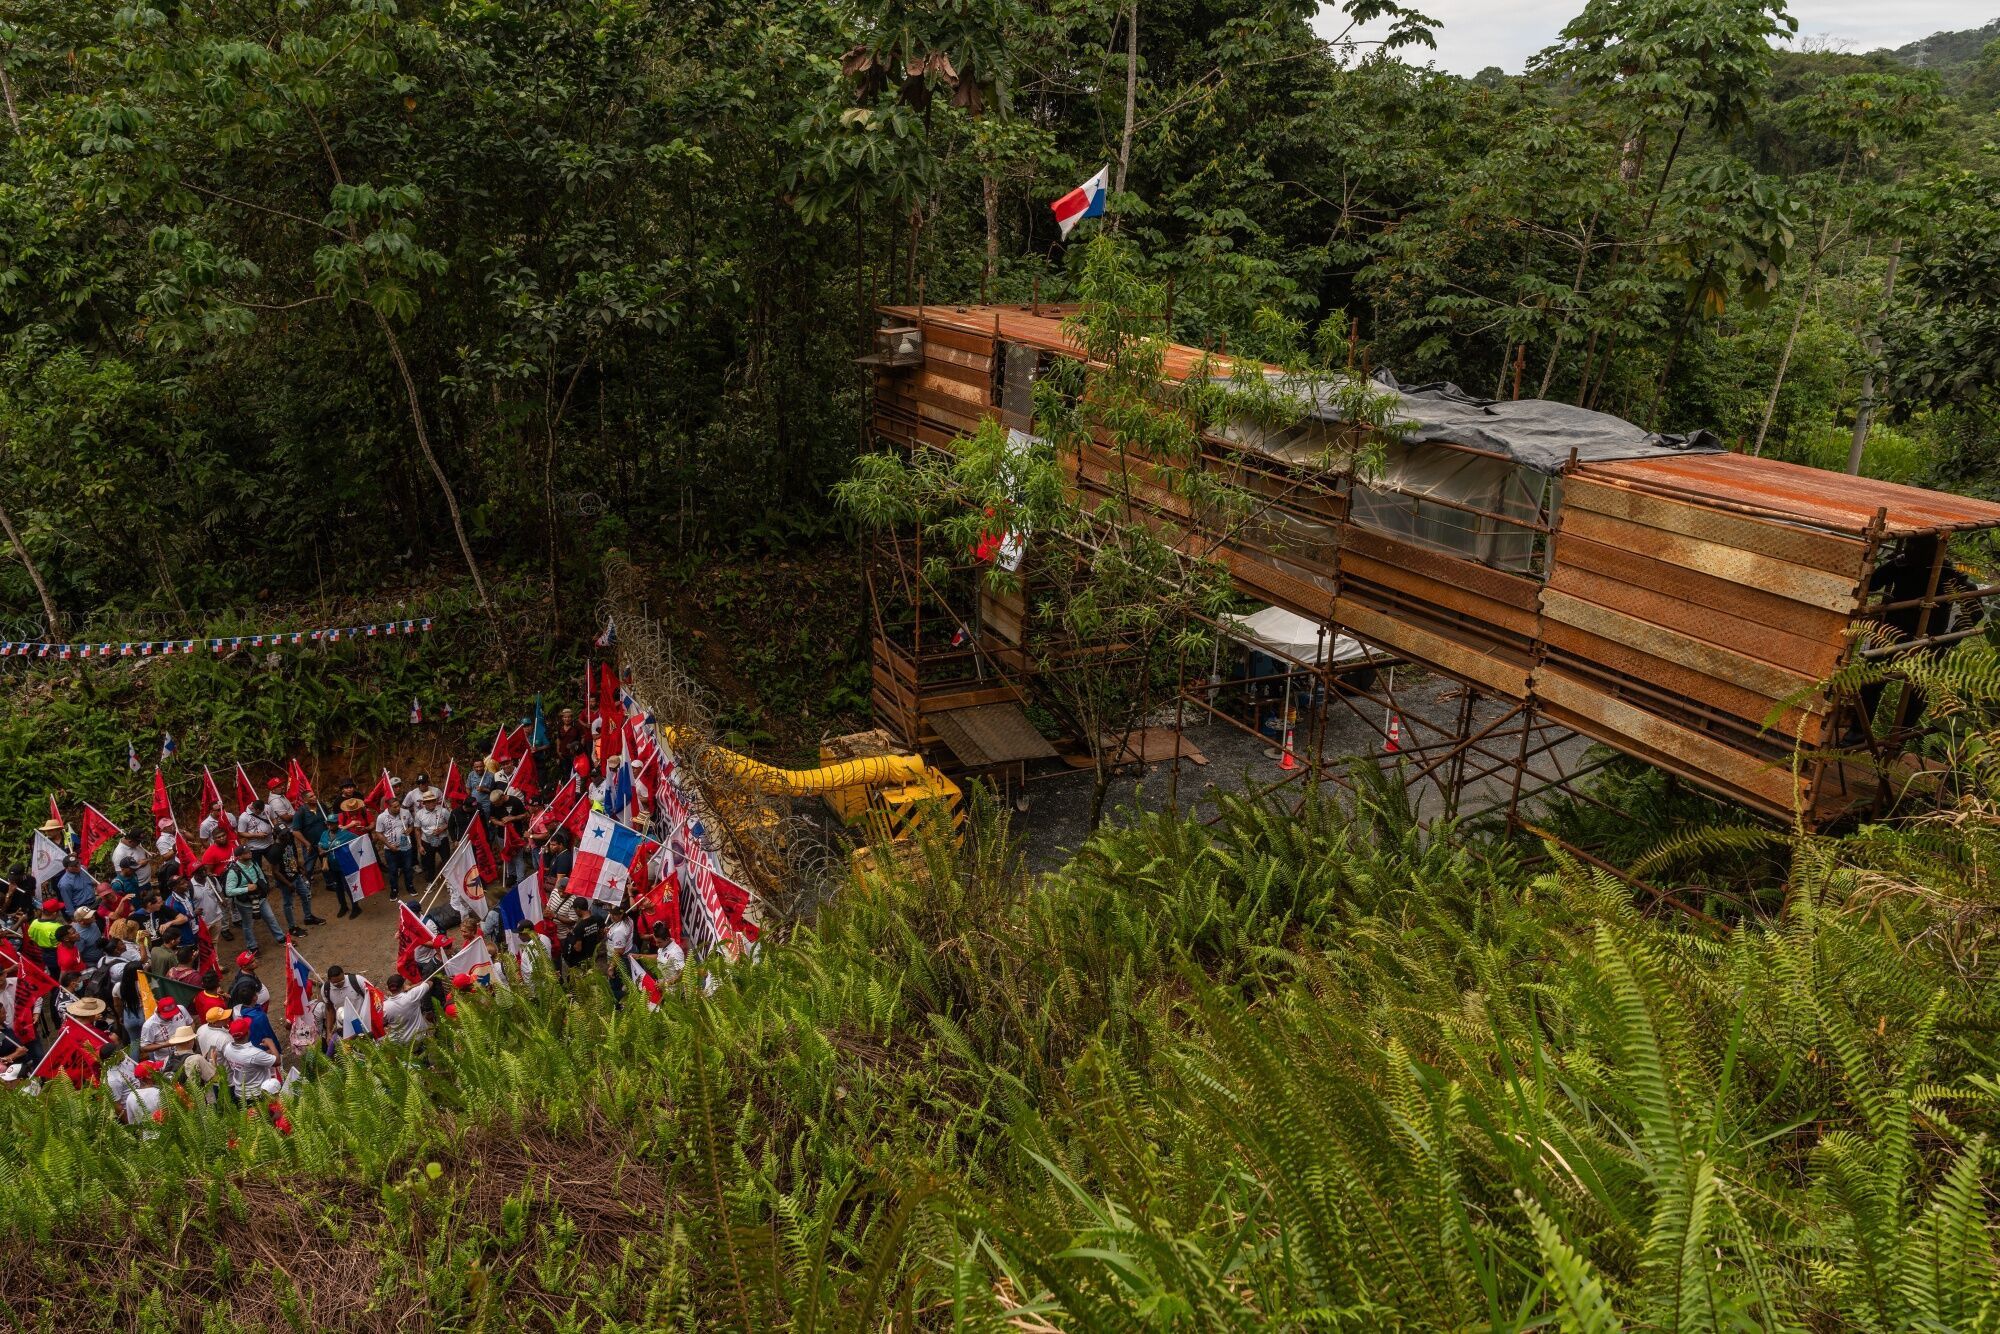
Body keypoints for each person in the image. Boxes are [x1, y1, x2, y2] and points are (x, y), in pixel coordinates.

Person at [223, 843, 285, 950]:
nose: (250, 853)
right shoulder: (233, 871)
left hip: (260, 898)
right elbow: (228, 891)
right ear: (240, 856)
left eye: (250, 851)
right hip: (245, 903)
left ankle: (281, 939)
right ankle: (252, 947)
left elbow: (260, 875)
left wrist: (264, 886)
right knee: (248, 925)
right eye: (246, 853)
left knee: (270, 917)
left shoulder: (254, 863)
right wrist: (246, 889)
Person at [270, 813, 321, 936]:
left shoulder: (289, 841)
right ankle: (292, 927)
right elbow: (275, 872)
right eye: (283, 835)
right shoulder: (274, 850)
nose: (287, 835)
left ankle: (308, 917)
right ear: (277, 835)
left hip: (295, 875)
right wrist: (288, 884)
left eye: (287, 832)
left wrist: (300, 867)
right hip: (285, 881)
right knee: (288, 904)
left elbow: (293, 856)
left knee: (306, 895)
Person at [220, 1016, 277, 1101]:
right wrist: (271, 1043)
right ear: (248, 1032)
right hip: (257, 1095)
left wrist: (263, 1054)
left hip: (239, 1093)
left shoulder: (227, 1048)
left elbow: (246, 1059)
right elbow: (277, 1061)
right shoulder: (254, 1053)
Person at [373, 799, 416, 903]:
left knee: (408, 867)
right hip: (390, 847)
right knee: (392, 870)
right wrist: (388, 845)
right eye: (395, 807)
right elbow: (379, 833)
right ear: (388, 807)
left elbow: (412, 824)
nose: (398, 808)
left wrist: (410, 830)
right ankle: (394, 889)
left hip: (405, 845)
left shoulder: (405, 812)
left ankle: (410, 886)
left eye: (398, 806)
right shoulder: (382, 817)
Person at [413, 791, 451, 881]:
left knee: (447, 861)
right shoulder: (419, 814)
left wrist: (442, 829)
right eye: (428, 801)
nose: (431, 803)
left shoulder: (443, 811)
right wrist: (420, 846)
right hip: (427, 842)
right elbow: (417, 830)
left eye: (433, 800)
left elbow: (450, 823)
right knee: (429, 863)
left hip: (442, 840)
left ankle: (450, 881)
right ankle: (431, 882)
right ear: (424, 803)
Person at [381, 974, 430, 1043]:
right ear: (403, 985)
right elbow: (429, 983)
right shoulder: (412, 995)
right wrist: (411, 987)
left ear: (389, 988)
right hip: (419, 1038)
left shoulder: (384, 1006)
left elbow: (382, 1024)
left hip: (399, 1043)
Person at [26, 898, 62, 970]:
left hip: (43, 954)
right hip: (58, 954)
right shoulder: (57, 927)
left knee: (53, 972)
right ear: (55, 913)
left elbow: (31, 936)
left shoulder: (34, 923)